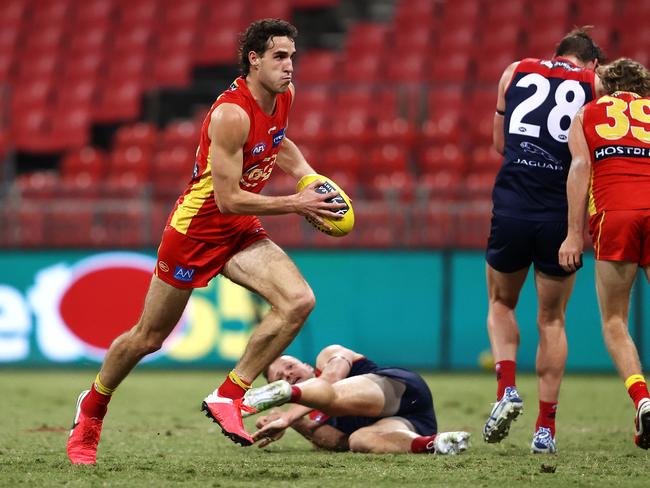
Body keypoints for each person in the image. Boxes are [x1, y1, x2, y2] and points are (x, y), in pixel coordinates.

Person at [67, 19, 347, 464]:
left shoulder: (283, 97)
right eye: (279, 56)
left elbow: (279, 142)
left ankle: (229, 394)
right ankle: (92, 408)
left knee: (298, 301)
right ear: (253, 60)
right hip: (195, 232)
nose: (289, 65)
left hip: (238, 231)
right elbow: (229, 198)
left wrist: (309, 175)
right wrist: (298, 202)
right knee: (147, 337)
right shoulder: (230, 114)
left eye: (292, 56)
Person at [483, 27, 605, 454]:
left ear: (557, 53)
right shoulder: (595, 84)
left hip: (512, 206)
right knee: (551, 320)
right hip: (560, 214)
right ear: (591, 63)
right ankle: (545, 430)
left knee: (501, 303)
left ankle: (506, 389)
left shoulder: (514, 71)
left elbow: (499, 144)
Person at [559, 58, 650, 449]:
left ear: (605, 86)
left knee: (614, 320)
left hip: (615, 216)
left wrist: (572, 235)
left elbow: (580, 166)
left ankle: (642, 399)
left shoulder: (586, 114)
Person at [240, 344, 470, 455]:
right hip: (414, 422)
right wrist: (297, 423)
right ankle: (434, 443)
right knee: (358, 441)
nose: (288, 374)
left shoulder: (327, 355)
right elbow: (338, 442)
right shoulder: (309, 414)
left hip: (400, 389)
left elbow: (330, 380)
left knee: (333, 394)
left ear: (306, 365)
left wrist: (288, 416)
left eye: (289, 367)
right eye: (281, 378)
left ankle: (290, 394)